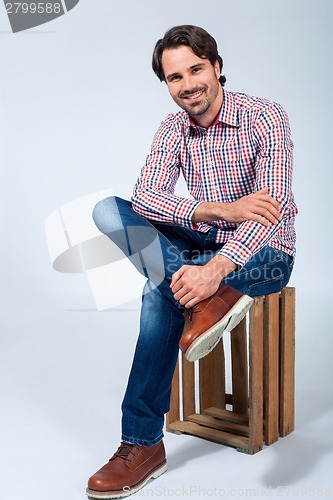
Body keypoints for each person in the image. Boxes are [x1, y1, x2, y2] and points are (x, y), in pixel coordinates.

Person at [86, 25, 297, 499]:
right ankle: (202, 302)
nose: (188, 85)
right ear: (166, 83)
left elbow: (272, 207)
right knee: (108, 210)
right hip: (200, 242)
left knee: (155, 292)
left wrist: (217, 270)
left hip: (265, 254)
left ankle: (140, 444)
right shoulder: (171, 128)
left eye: (196, 69)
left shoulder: (263, 116)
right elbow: (146, 198)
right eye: (174, 77)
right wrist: (216, 211)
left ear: (217, 67)